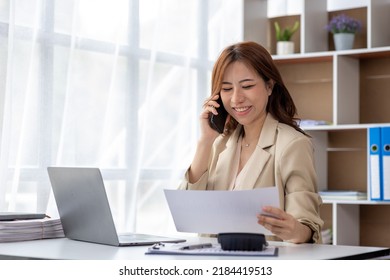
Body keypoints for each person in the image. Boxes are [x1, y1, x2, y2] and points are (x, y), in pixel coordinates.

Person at [179, 41, 323, 244]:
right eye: (227, 89)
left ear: (269, 86)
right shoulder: (218, 144)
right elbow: (187, 211)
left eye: (247, 86)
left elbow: (306, 227)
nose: (236, 98)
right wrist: (204, 141)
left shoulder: (292, 144)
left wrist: (293, 230)